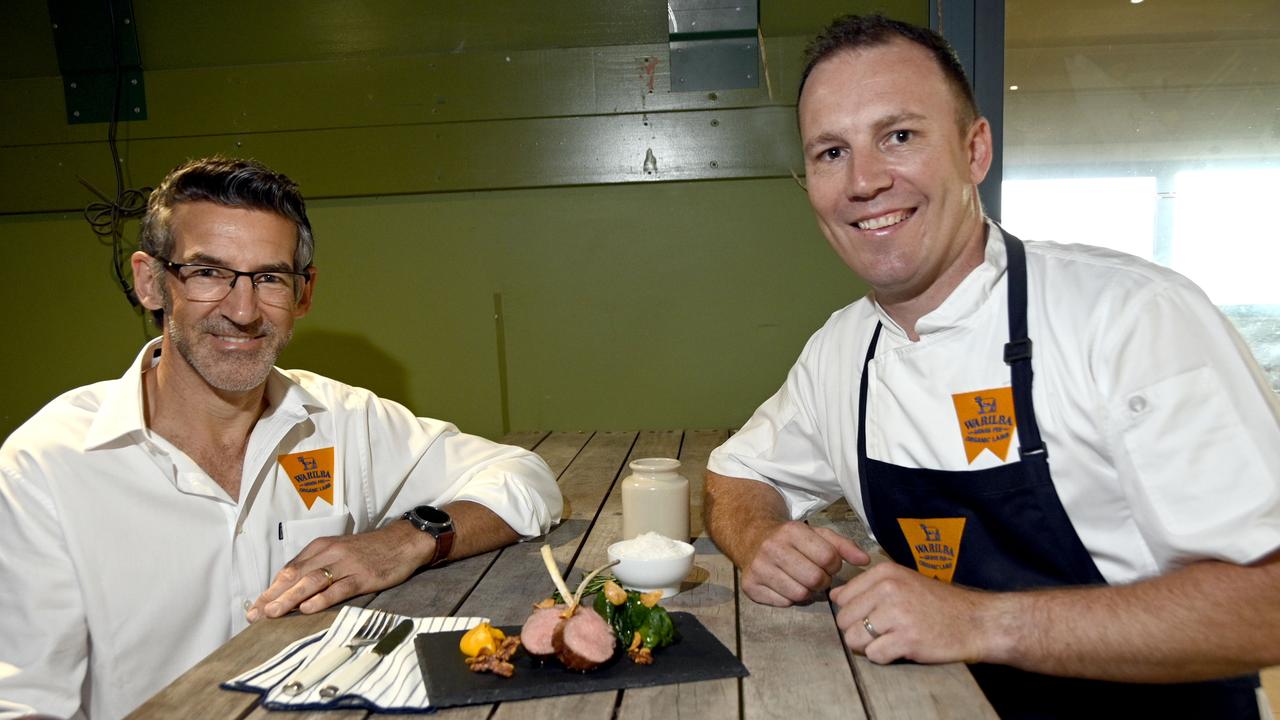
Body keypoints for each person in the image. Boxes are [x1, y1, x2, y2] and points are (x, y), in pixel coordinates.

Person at [703, 14, 1280, 719]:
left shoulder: (1131, 317)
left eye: (900, 136)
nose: (864, 181)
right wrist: (762, 540)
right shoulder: (842, 350)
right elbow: (737, 474)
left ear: (975, 151)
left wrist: (982, 621)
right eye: (831, 152)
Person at [0, 156, 563, 720]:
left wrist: (406, 541)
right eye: (208, 273)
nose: (243, 311)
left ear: (304, 293)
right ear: (150, 282)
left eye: (270, 277)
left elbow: (527, 479)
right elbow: (23, 704)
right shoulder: (45, 468)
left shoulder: (343, 418)